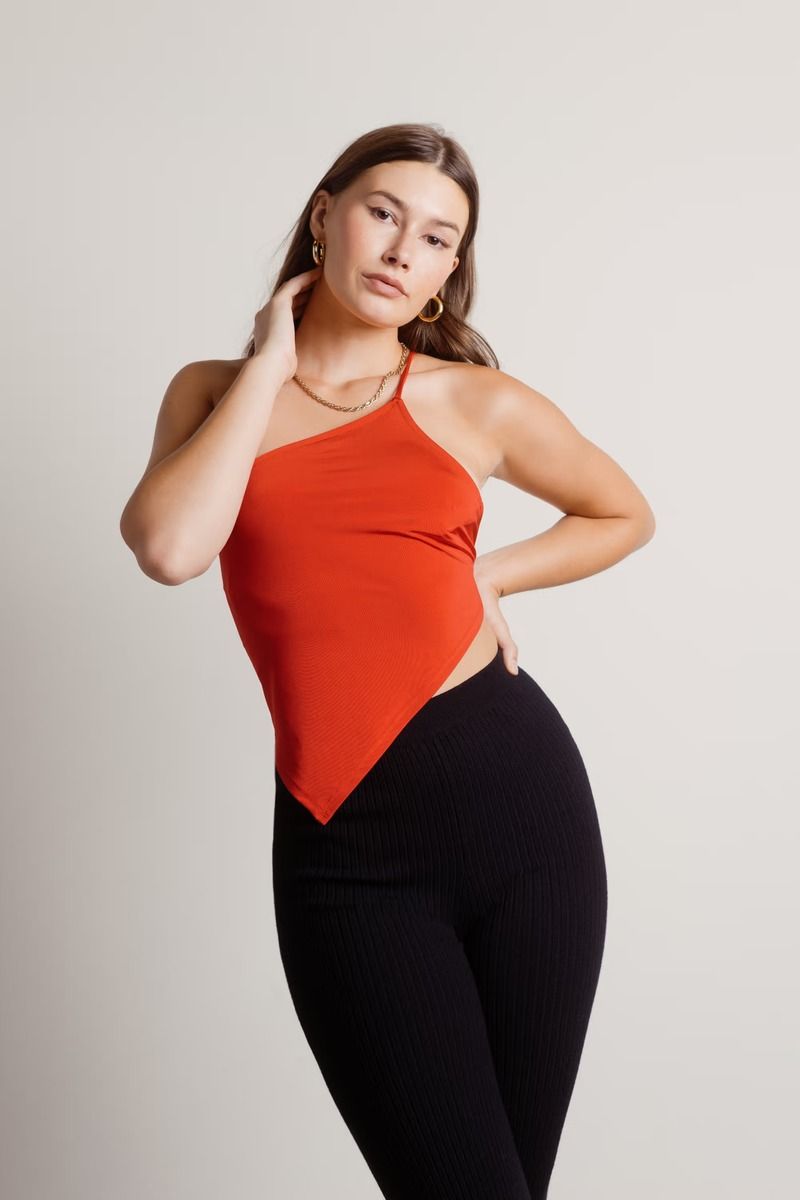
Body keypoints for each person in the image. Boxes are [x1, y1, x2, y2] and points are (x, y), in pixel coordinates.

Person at [120, 122, 655, 1199]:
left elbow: (622, 513)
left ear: (449, 272)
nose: (405, 249)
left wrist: (487, 577)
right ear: (324, 216)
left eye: (438, 238)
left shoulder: (472, 401)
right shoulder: (212, 395)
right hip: (345, 846)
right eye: (383, 213)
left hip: (524, 817)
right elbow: (171, 548)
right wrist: (269, 367)